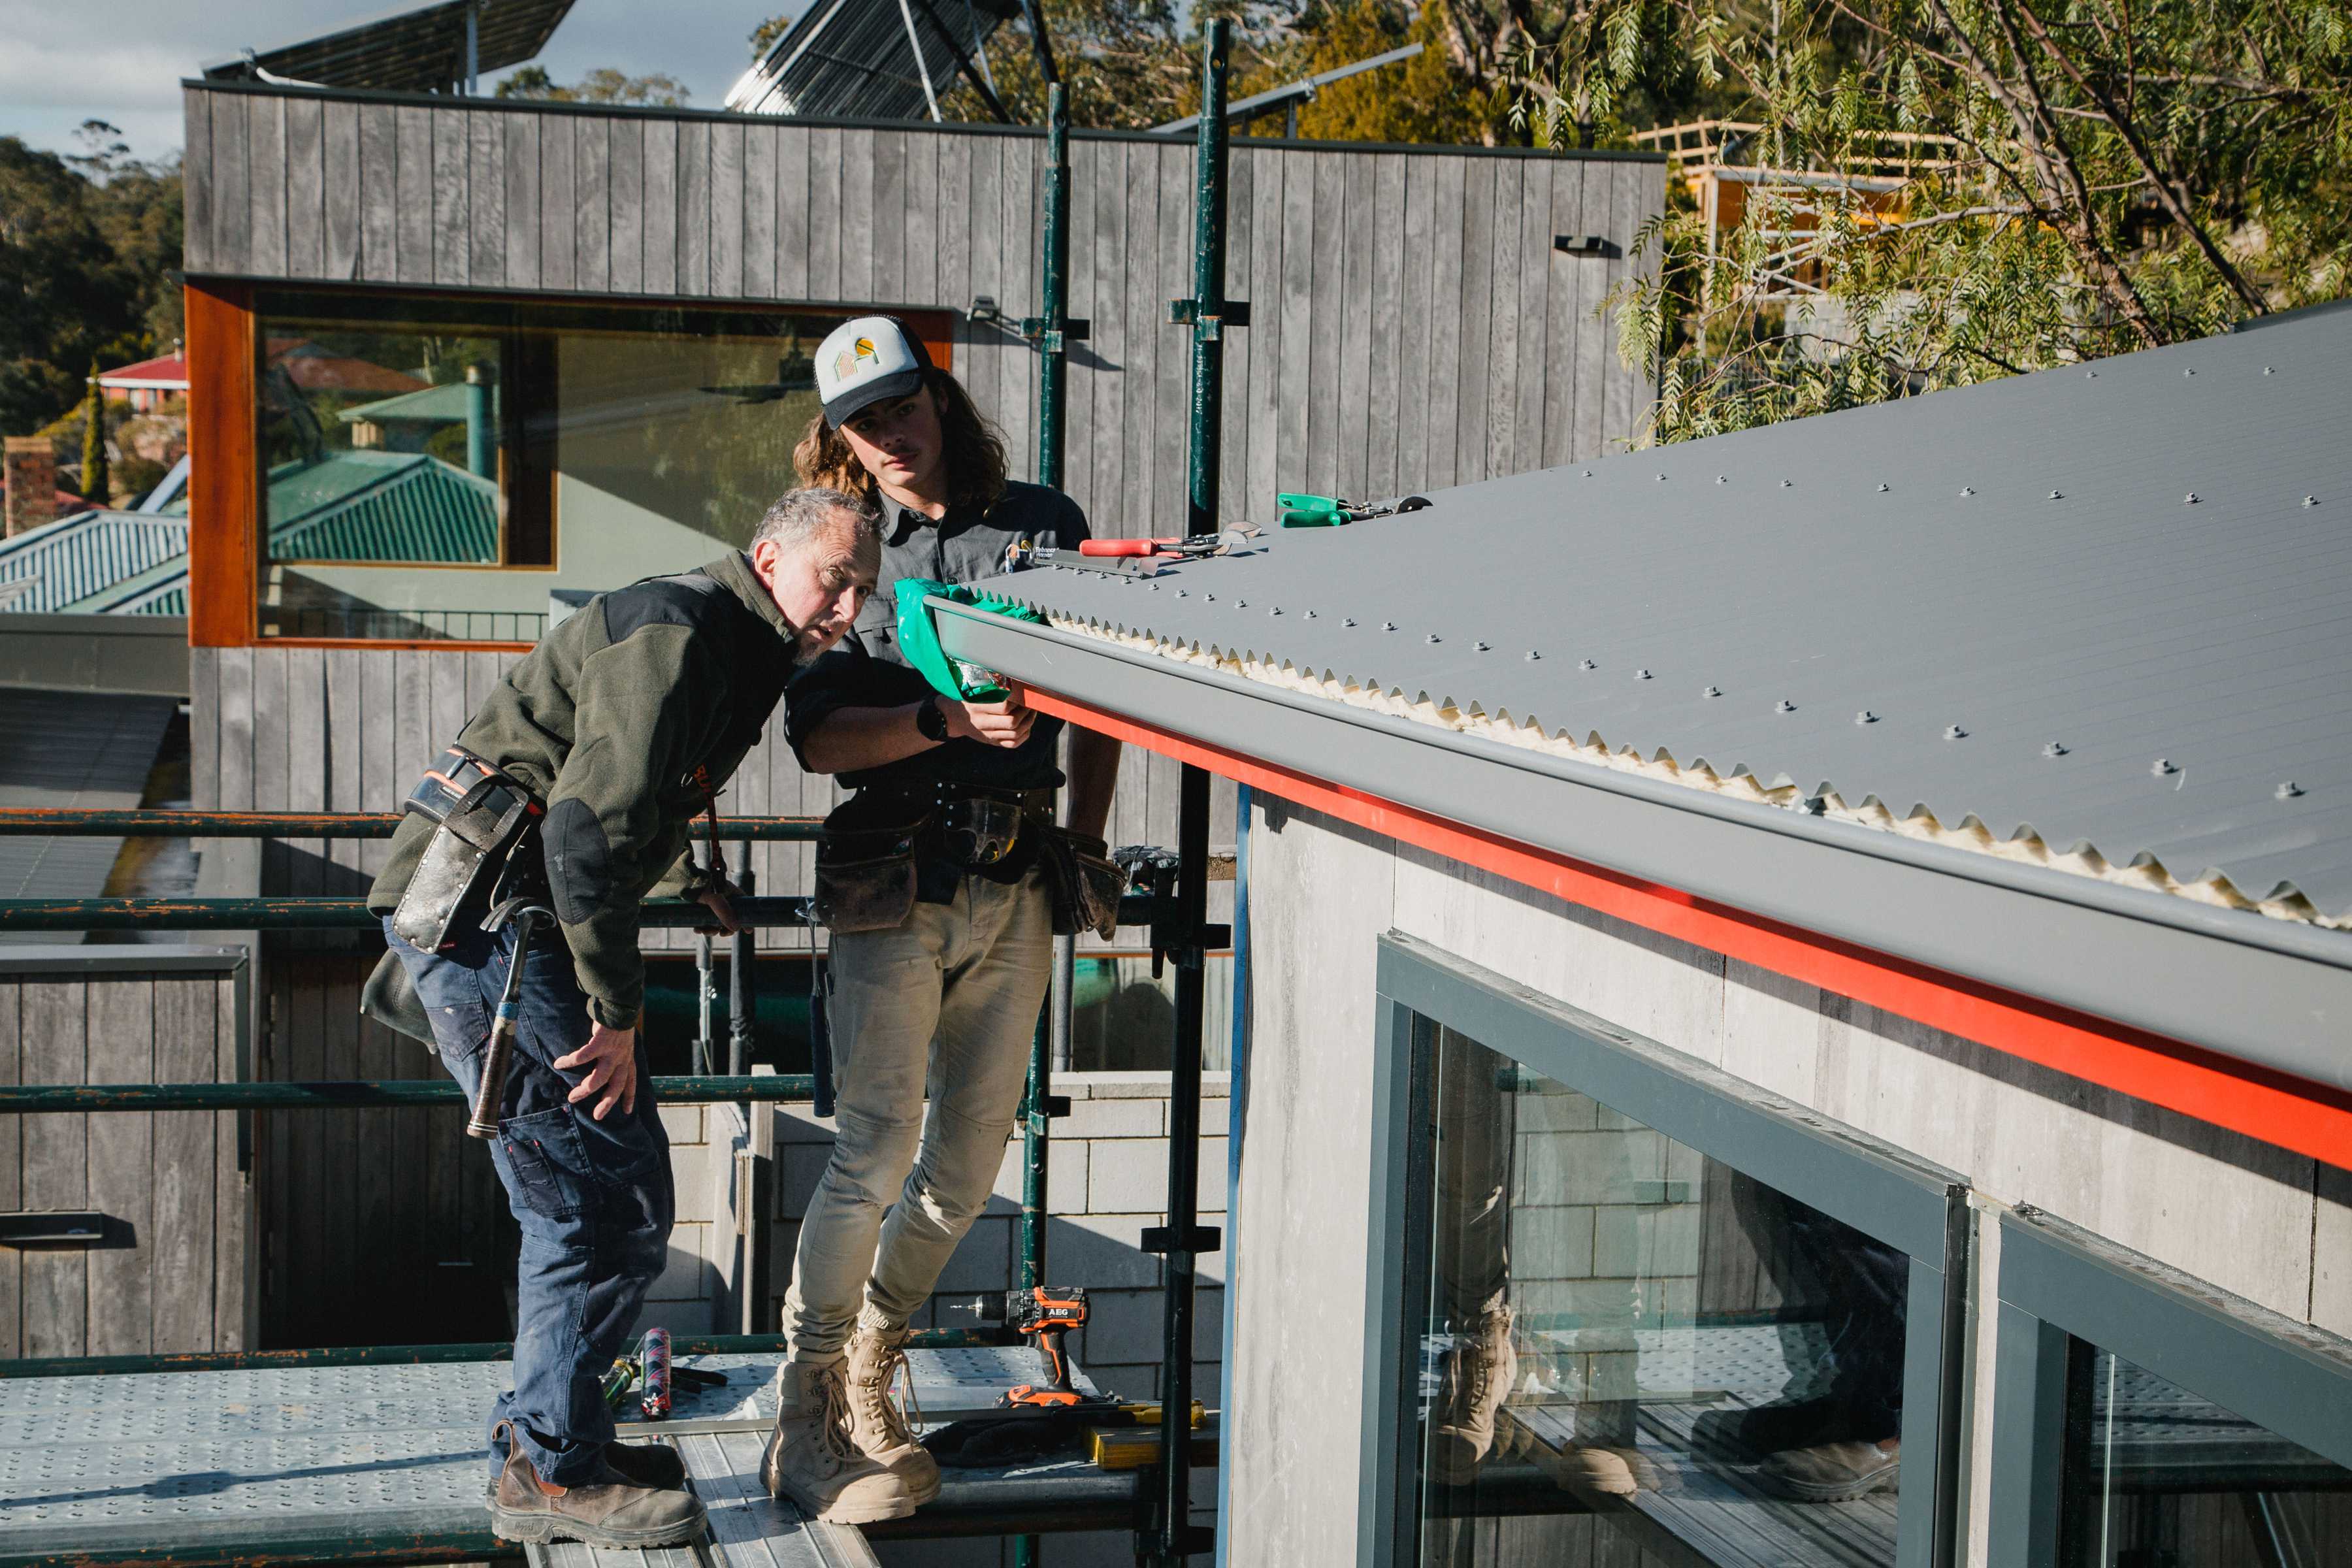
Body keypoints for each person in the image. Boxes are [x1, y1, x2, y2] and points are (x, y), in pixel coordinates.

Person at [367, 488, 881, 1550]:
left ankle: (557, 1440)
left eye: (863, 586)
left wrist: (693, 877)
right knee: (599, 1203)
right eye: (836, 577)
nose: (848, 604)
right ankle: (552, 1470)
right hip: (495, 924)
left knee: (604, 1197)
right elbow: (586, 841)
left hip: (495, 916)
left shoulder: (733, 639)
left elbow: (635, 785)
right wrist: (618, 1015)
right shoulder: (686, 637)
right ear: (769, 555)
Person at [759, 316, 1122, 1524]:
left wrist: (1087, 839)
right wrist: (949, 726)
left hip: (1018, 872)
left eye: (902, 408)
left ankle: (874, 1356)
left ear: (939, 401)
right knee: (869, 1147)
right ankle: (809, 1398)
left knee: (967, 1163)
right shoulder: (847, 545)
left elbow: (1109, 690)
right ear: (842, 441)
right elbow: (815, 740)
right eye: (864, 424)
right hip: (894, 879)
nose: (889, 437)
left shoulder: (1042, 522)